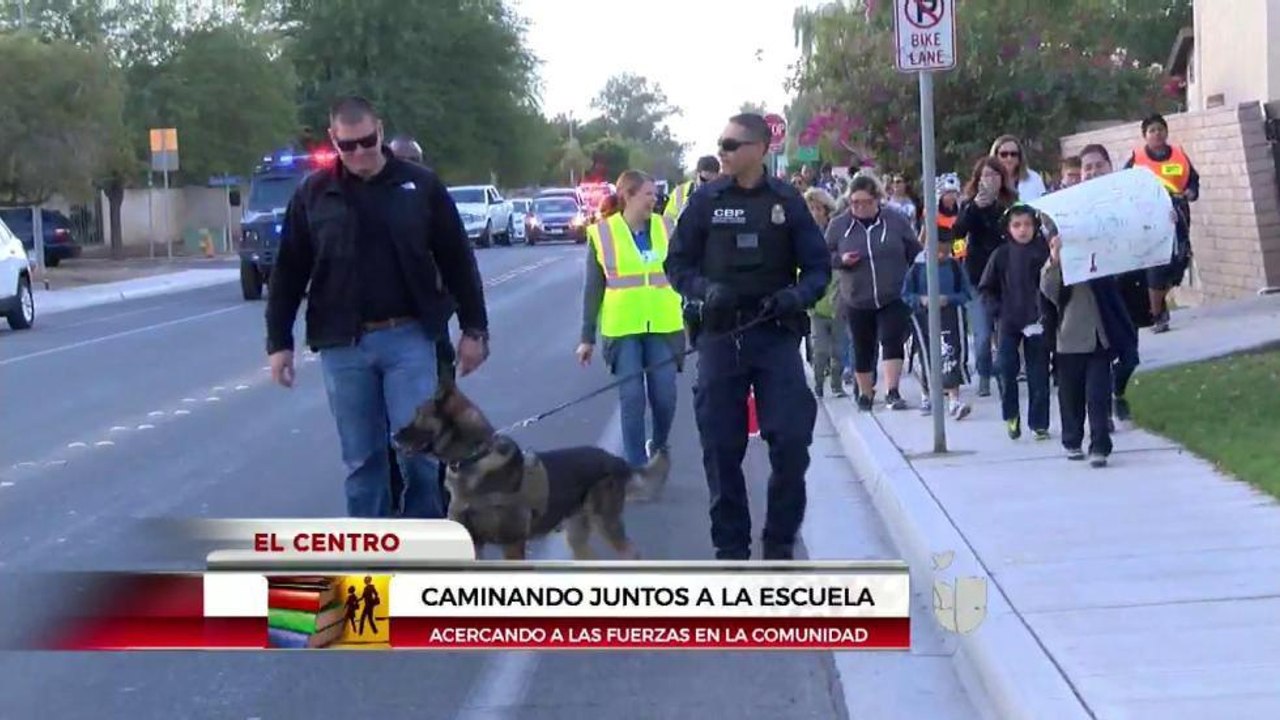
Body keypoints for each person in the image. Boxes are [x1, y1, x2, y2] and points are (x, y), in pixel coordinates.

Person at [265, 95, 490, 519]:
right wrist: (279, 342)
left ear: (380, 132)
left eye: (366, 141)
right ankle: (372, 555)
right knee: (363, 462)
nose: (358, 153)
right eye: (346, 145)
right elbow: (289, 271)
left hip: (409, 339)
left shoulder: (419, 186)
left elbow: (457, 258)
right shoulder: (314, 194)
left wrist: (474, 329)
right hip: (343, 346)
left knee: (420, 456)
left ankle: (425, 548)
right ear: (333, 140)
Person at [664, 112, 830, 561]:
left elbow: (818, 268)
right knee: (720, 448)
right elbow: (676, 265)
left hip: (774, 332)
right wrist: (704, 291)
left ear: (759, 149)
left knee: (793, 441)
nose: (723, 150)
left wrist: (794, 298)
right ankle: (731, 551)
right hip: (721, 336)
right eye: (721, 143)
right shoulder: (705, 201)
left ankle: (778, 546)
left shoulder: (787, 201)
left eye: (732, 144)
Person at [578, 170, 684, 472]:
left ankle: (659, 444)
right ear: (628, 196)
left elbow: (685, 271)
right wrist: (586, 337)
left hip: (663, 326)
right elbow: (592, 289)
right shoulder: (603, 233)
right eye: (648, 194)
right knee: (632, 397)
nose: (654, 199)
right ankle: (635, 469)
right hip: (623, 329)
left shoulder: (667, 228)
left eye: (654, 194)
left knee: (665, 396)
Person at [1041, 227, 1139, 469]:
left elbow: (1123, 271)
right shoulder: (1056, 265)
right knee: (1071, 396)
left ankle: (1099, 445)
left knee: (1097, 395)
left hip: (1099, 339)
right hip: (1069, 340)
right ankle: (1072, 440)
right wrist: (1055, 258)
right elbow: (1049, 291)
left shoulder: (1100, 260)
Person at [828, 175, 922, 412]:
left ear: (877, 200)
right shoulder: (839, 225)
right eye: (854, 202)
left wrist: (916, 279)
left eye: (865, 202)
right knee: (862, 345)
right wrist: (841, 260)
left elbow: (914, 250)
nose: (859, 207)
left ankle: (892, 391)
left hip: (892, 293)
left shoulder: (895, 220)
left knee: (891, 339)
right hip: (857, 296)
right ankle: (866, 394)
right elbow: (823, 255)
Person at [1080, 144, 1152, 426]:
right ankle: (1102, 412)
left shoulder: (1126, 196)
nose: (1093, 171)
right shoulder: (1074, 202)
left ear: (1109, 166)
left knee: (1130, 354)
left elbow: (1147, 223)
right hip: (1095, 288)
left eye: (1098, 165)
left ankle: (1117, 392)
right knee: (1100, 353)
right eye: (1088, 167)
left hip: (1127, 282)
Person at [979, 204, 1052, 441]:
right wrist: (997, 311)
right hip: (1009, 321)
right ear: (1008, 228)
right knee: (1005, 368)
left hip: (1038, 321)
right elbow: (986, 288)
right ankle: (1011, 415)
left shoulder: (1044, 252)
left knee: (1038, 373)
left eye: (1028, 225)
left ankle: (1039, 423)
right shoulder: (1001, 254)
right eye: (1017, 225)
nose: (1023, 230)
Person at [1124, 113, 1200, 334]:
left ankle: (1158, 301)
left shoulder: (1179, 155)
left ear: (1166, 132)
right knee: (1156, 264)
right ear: (1145, 136)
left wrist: (1191, 192)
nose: (1156, 134)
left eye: (1160, 129)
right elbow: (1124, 187)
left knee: (1180, 262)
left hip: (1179, 217)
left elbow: (1193, 180)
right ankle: (1157, 314)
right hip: (1150, 220)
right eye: (1151, 131)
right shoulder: (1136, 160)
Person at [954, 157, 1017, 397]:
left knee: (1004, 333)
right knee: (982, 335)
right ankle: (984, 371)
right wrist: (973, 209)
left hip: (1006, 275)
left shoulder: (1010, 203)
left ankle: (1002, 373)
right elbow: (958, 232)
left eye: (994, 175)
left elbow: (1015, 230)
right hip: (978, 276)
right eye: (985, 176)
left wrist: (996, 209)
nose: (989, 180)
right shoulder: (970, 204)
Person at [902, 235, 973, 419]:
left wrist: (948, 299)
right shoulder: (917, 269)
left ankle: (954, 400)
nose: (940, 255)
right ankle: (926, 394)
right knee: (925, 356)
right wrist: (921, 300)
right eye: (936, 250)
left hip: (951, 316)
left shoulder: (955, 267)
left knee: (950, 355)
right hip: (923, 318)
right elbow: (906, 294)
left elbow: (966, 293)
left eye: (945, 251)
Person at [803, 187, 845, 398]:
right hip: (816, 303)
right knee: (819, 350)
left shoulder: (836, 232)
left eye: (818, 208)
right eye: (810, 208)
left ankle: (837, 385)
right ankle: (819, 385)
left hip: (838, 298)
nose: (814, 213)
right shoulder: (803, 235)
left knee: (838, 349)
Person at [990, 134, 1048, 201]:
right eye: (1004, 154)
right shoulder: (987, 179)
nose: (1009, 159)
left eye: (1013, 154)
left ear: (1019, 157)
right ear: (995, 156)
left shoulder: (1034, 178)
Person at [664, 156, 722, 221]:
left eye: (712, 182)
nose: (707, 185)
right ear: (696, 173)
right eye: (704, 180)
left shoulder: (724, 194)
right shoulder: (680, 192)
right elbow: (667, 221)